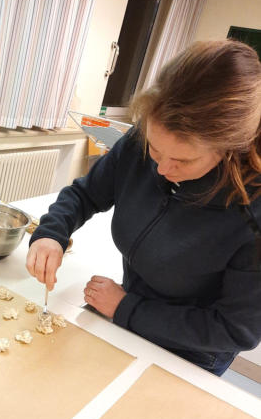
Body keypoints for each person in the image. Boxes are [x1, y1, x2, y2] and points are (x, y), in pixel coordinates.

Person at [26, 40, 261, 376]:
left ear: (228, 149)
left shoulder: (252, 216)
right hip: (127, 311)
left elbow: (236, 329)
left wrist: (126, 308)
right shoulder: (148, 135)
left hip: (192, 350)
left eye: (183, 161)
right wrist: (52, 233)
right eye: (155, 149)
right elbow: (86, 194)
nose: (162, 169)